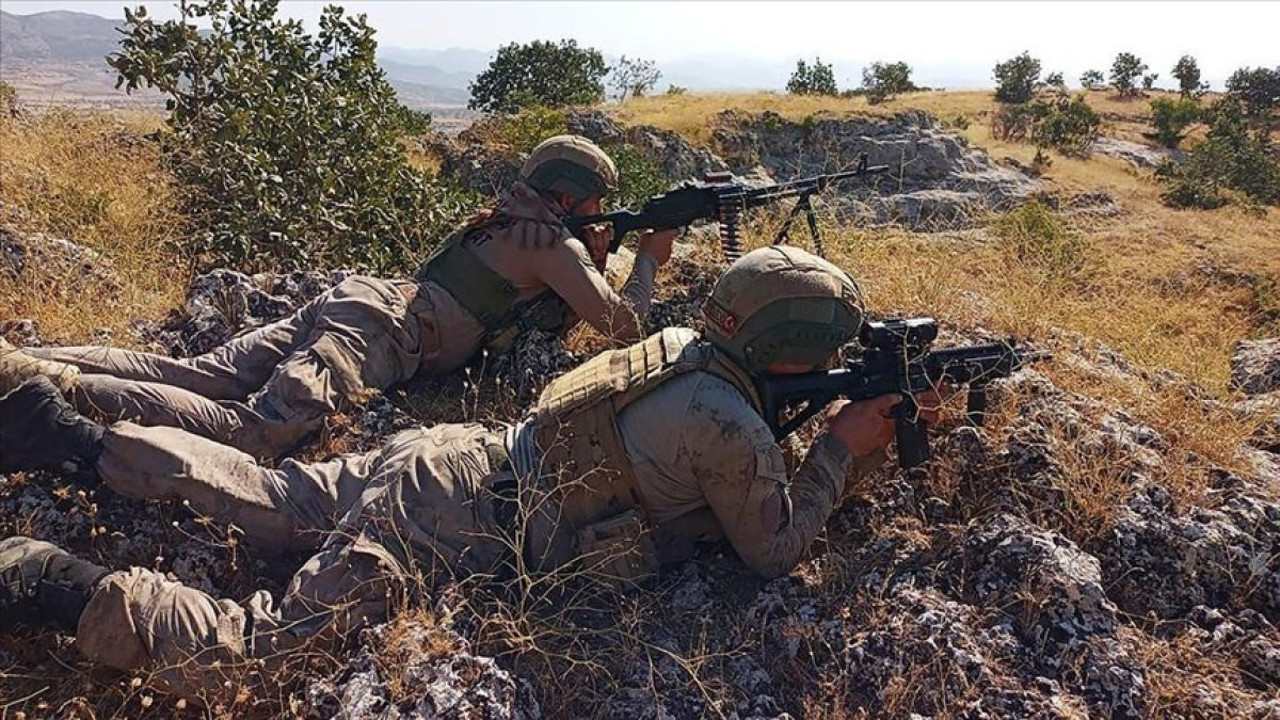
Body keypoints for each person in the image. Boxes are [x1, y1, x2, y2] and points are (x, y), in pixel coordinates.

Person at [0, 246, 940, 700]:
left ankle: (72, 436)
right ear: (787, 354)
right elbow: (771, 550)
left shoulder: (686, 348)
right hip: (455, 525)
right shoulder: (728, 424)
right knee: (267, 651)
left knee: (279, 499)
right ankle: (47, 579)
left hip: (448, 459)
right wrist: (838, 450)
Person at [0, 135, 680, 459]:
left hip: (364, 301)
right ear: (566, 196)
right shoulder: (550, 244)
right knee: (261, 428)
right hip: (380, 332)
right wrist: (647, 259)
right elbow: (623, 326)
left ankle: (25, 357)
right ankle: (55, 382)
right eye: (593, 201)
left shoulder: (513, 215)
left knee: (202, 374)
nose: (598, 211)